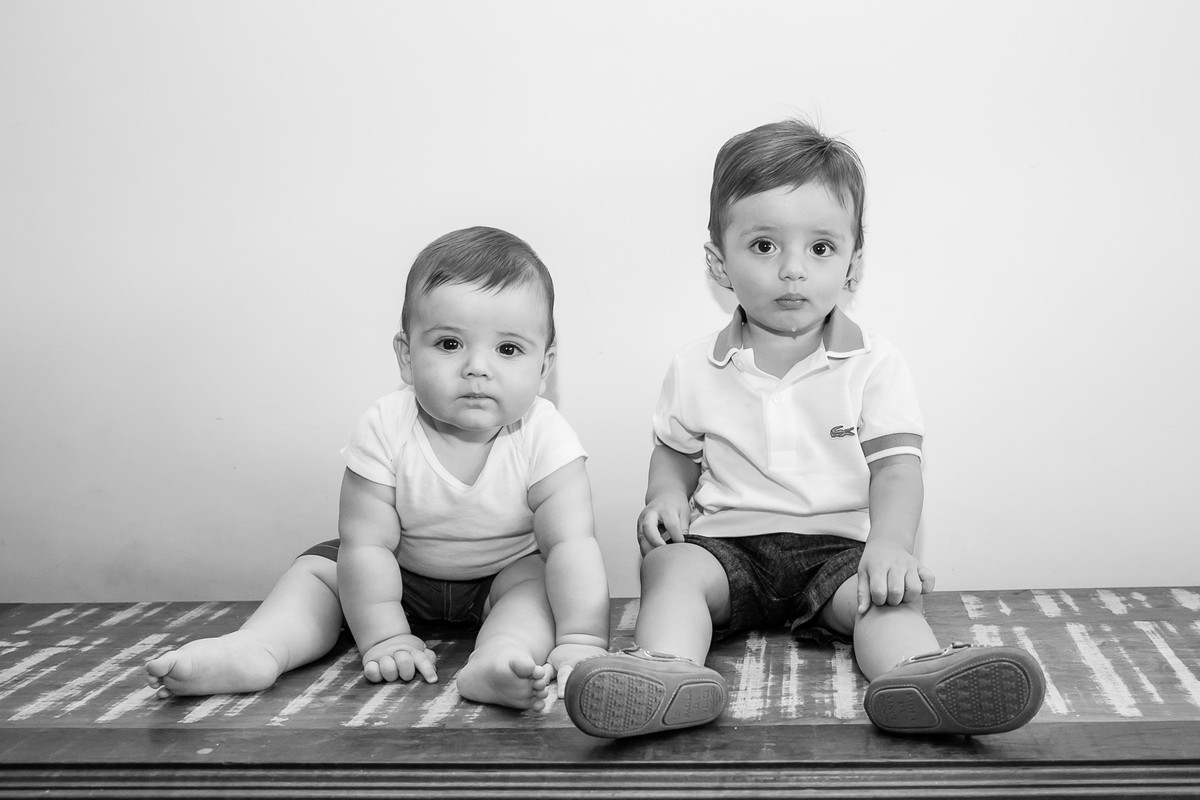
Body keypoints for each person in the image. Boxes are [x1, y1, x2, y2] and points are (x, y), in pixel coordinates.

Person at [564, 120, 1045, 737]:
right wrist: (665, 495)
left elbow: (897, 468)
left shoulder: (873, 364)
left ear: (853, 264)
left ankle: (920, 676)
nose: (793, 270)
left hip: (838, 550)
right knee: (669, 569)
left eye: (820, 248)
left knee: (884, 596)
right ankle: (665, 673)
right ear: (719, 262)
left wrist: (890, 544)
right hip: (727, 548)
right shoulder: (695, 366)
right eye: (765, 246)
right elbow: (676, 451)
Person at [146, 227, 610, 711]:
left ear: (544, 366)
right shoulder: (386, 426)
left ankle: (498, 659)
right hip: (394, 573)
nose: (477, 367)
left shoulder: (545, 436)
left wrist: (581, 640)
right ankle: (259, 647)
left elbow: (571, 544)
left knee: (537, 585)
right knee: (319, 572)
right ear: (407, 357)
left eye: (508, 349)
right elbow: (367, 543)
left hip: (500, 577)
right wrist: (385, 637)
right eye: (449, 343)